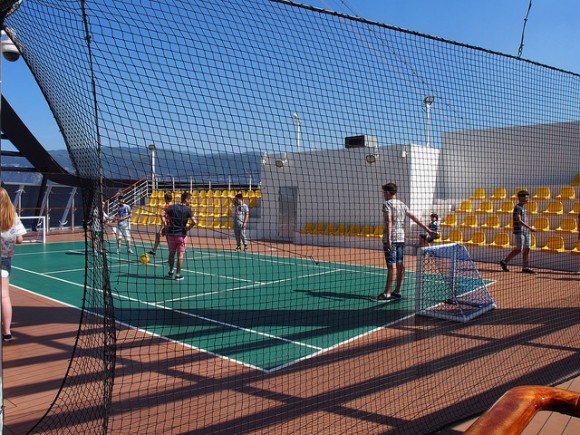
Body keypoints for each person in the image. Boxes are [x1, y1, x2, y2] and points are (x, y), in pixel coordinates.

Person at [373, 182, 439, 303]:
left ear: (388, 193)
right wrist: (428, 230)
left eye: (384, 192)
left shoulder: (387, 204)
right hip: (401, 238)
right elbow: (414, 218)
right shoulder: (402, 204)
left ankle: (387, 293)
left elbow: (388, 221)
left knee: (391, 266)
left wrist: (388, 240)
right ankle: (397, 291)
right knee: (399, 264)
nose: (383, 195)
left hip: (392, 238)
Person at [0, 187, 27, 342]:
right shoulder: (12, 216)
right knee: (4, 295)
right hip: (5, 260)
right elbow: (20, 239)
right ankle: (7, 331)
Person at [499, 190, 536, 274]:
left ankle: (525, 267)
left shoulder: (523, 208)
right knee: (519, 249)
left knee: (527, 248)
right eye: (526, 197)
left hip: (526, 231)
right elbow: (519, 220)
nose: (527, 199)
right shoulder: (517, 208)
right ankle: (504, 261)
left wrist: (528, 229)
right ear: (521, 198)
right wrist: (530, 227)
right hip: (519, 231)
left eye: (527, 197)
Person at [165, 192, 197, 280]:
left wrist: (166, 225)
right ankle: (178, 275)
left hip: (171, 234)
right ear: (186, 199)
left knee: (171, 253)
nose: (190, 201)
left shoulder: (172, 207)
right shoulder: (188, 209)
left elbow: (161, 214)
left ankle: (171, 272)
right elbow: (195, 222)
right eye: (190, 199)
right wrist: (188, 228)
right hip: (181, 235)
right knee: (180, 255)